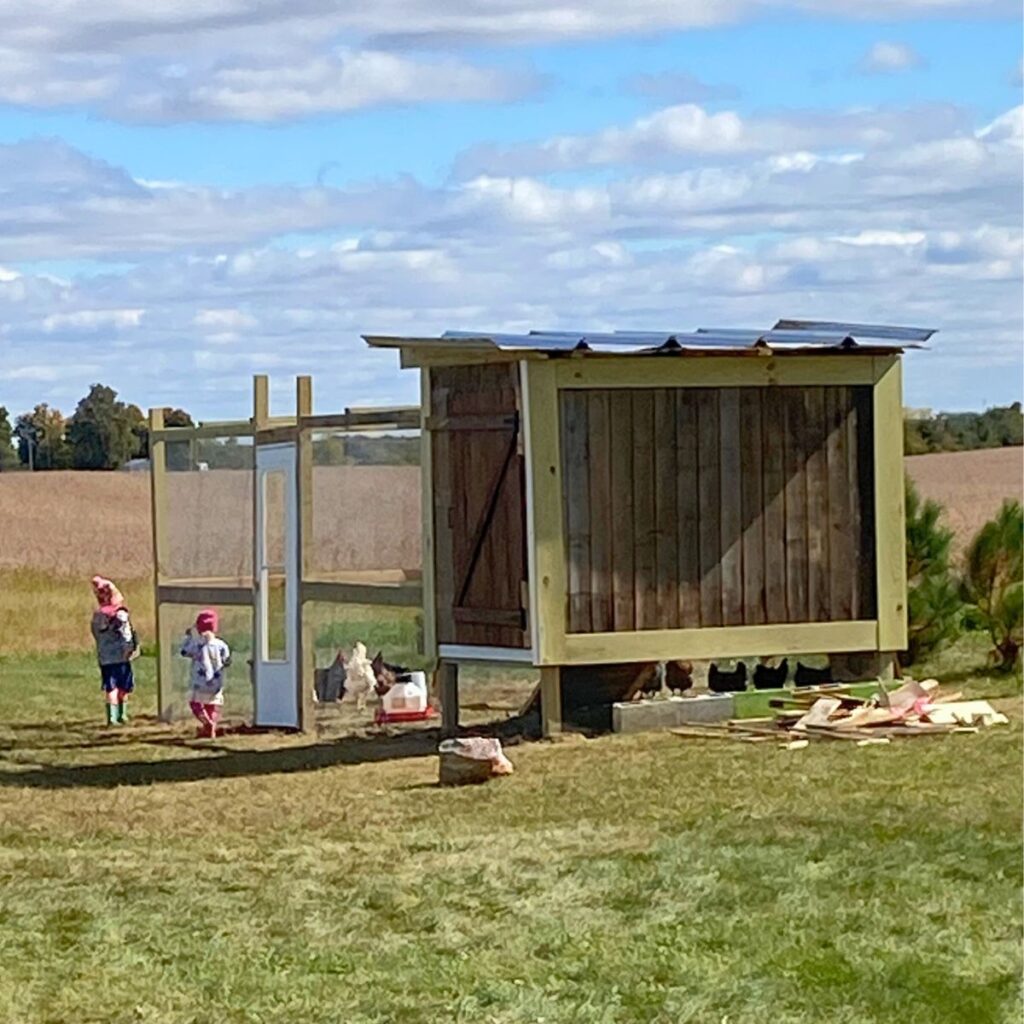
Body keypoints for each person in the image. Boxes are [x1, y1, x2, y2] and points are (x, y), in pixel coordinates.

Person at [89, 576, 138, 726]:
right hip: (121, 657)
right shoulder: (120, 615)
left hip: (105, 657)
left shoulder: (98, 616)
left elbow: (96, 634)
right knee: (124, 687)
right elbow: (126, 634)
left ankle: (112, 717)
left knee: (111, 688)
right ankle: (122, 714)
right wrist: (130, 648)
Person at [180, 608, 231, 738]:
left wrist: (189, 636)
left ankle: (206, 723)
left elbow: (184, 651)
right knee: (212, 705)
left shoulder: (197, 644)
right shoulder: (221, 644)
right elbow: (227, 660)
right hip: (216, 681)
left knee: (195, 704)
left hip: (199, 680)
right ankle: (211, 726)